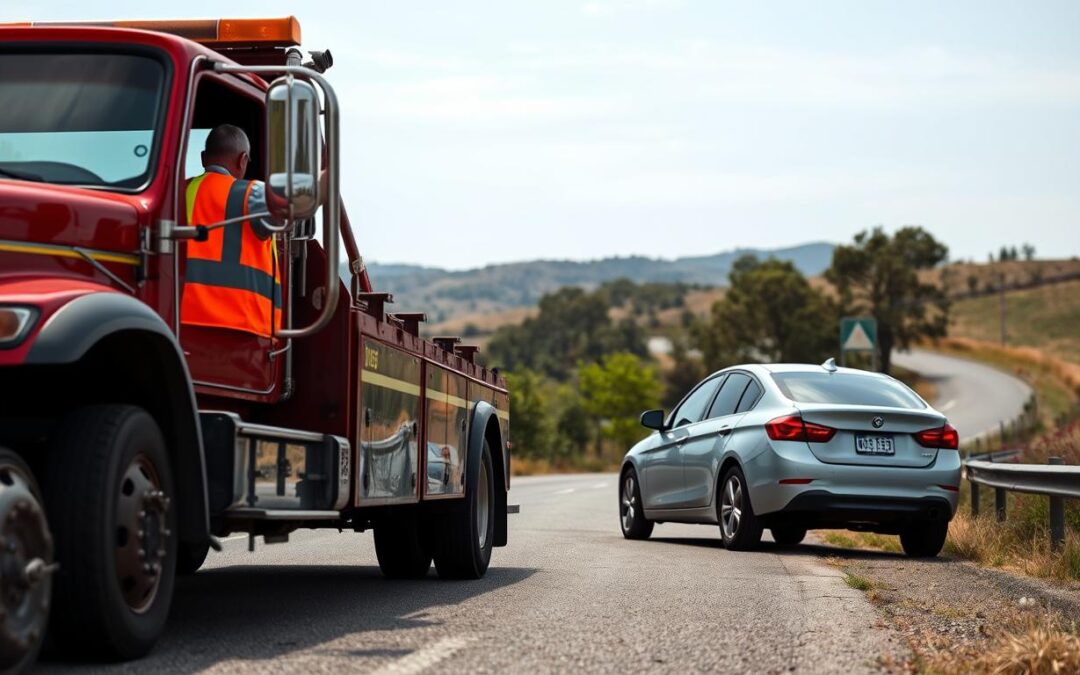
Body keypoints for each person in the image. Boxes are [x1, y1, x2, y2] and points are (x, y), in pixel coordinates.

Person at [180, 124, 282, 338]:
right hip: (244, 331)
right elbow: (294, 207)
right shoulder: (253, 195)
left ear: (202, 158)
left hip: (179, 322)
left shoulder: (178, 191)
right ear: (242, 160)